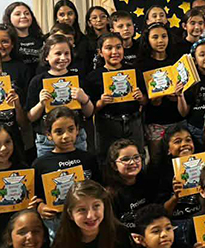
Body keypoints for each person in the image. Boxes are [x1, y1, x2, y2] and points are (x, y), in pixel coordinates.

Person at [32, 107, 100, 237]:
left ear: (77, 130)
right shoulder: (40, 164)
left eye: (71, 129)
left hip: (88, 218)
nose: (66, 136)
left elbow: (100, 188)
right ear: (48, 134)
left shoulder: (89, 159)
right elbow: (35, 196)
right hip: (57, 223)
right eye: (59, 132)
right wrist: (40, 207)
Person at [26, 35, 93, 157]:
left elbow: (89, 113)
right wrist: (41, 104)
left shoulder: (79, 79)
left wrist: (84, 99)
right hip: (47, 141)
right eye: (58, 53)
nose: (63, 58)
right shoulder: (37, 81)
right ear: (46, 56)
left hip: (76, 138)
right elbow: (30, 117)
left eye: (67, 53)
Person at [85, 33, 147, 162]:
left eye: (118, 47)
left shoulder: (134, 71)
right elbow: (89, 110)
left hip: (133, 121)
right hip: (108, 124)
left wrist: (141, 98)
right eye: (109, 48)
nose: (115, 52)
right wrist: (101, 102)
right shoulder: (93, 77)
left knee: (137, 157)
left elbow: (146, 101)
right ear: (100, 52)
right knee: (108, 159)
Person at [137, 22, 182, 163]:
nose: (160, 41)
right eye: (155, 37)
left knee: (178, 158)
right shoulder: (141, 65)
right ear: (147, 40)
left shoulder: (177, 61)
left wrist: (177, 96)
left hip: (177, 118)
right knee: (156, 159)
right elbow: (143, 99)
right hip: (154, 119)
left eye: (164, 36)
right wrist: (156, 98)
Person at [104, 139, 157, 230]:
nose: (132, 162)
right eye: (126, 159)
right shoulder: (110, 194)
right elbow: (112, 225)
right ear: (114, 165)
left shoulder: (148, 182)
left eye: (136, 157)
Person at [2, 1, 44, 77]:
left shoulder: (41, 39)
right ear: (9, 18)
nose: (23, 16)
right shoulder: (7, 41)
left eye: (27, 13)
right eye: (18, 14)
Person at [53, 0, 88, 67]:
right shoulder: (48, 38)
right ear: (56, 17)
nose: (66, 18)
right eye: (62, 15)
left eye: (70, 14)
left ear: (75, 16)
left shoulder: (84, 40)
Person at [85, 5, 110, 72]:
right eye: (94, 18)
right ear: (89, 23)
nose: (99, 20)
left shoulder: (114, 38)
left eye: (103, 17)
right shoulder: (85, 41)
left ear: (108, 20)